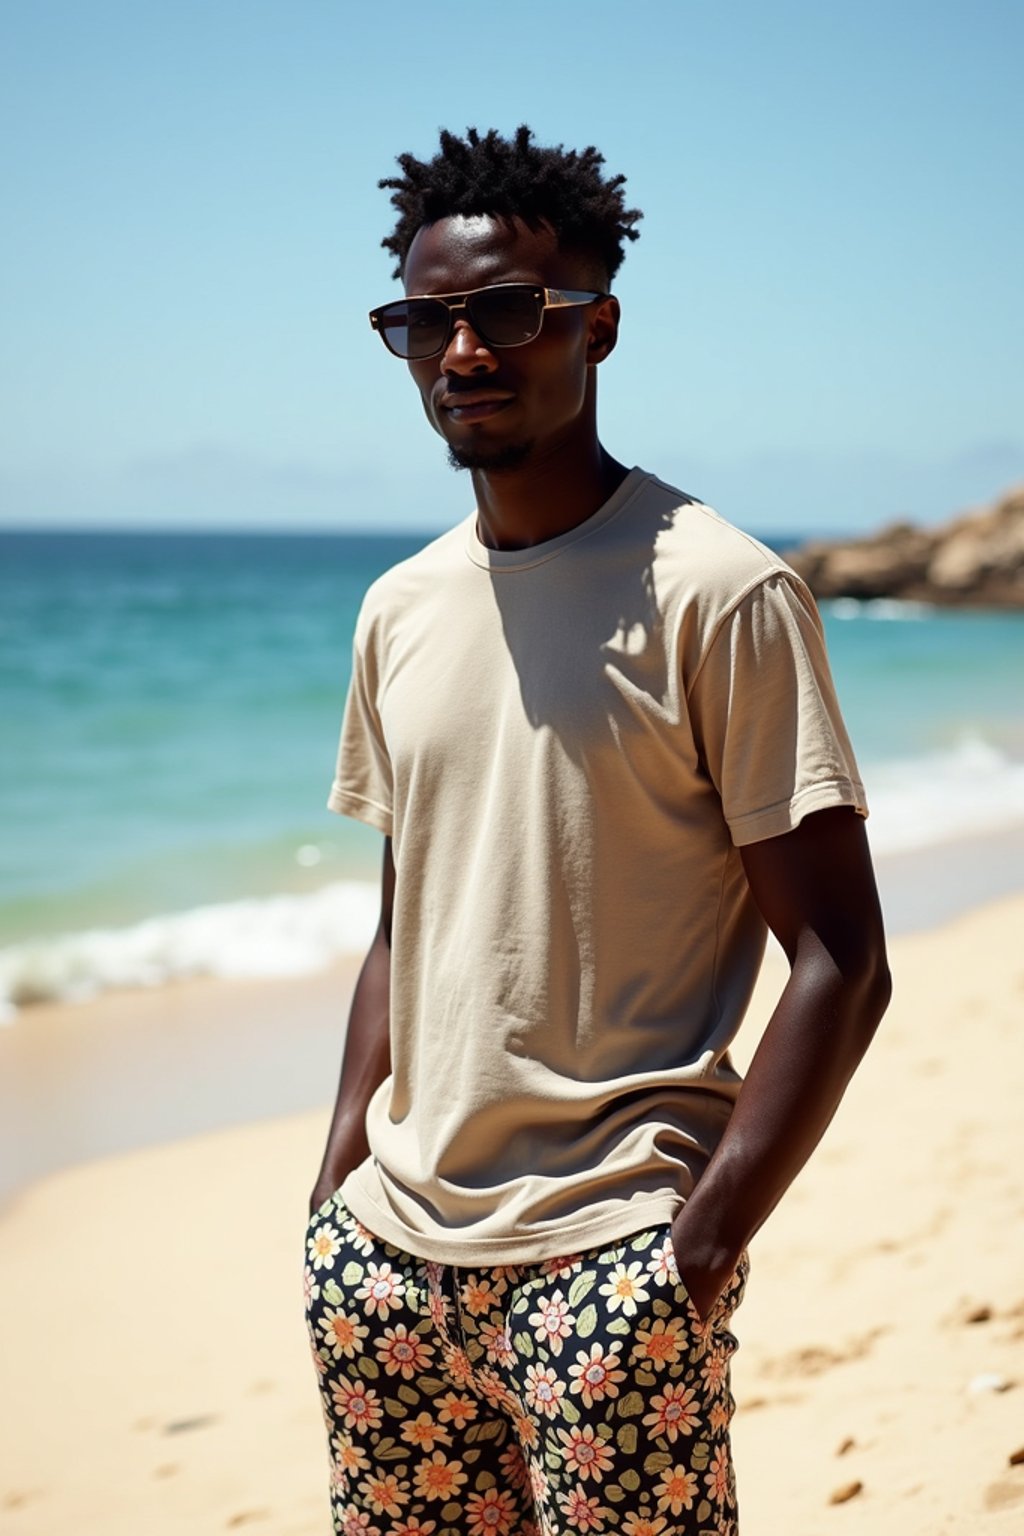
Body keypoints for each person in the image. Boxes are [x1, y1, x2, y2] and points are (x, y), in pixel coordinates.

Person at [305, 125, 890, 1536]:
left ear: (597, 326)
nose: (464, 355)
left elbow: (841, 961)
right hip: (390, 1268)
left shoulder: (723, 594)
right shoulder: (399, 609)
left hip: (613, 1262)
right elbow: (407, 917)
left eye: (508, 311)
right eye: (423, 324)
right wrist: (334, 1187)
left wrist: (696, 1249)